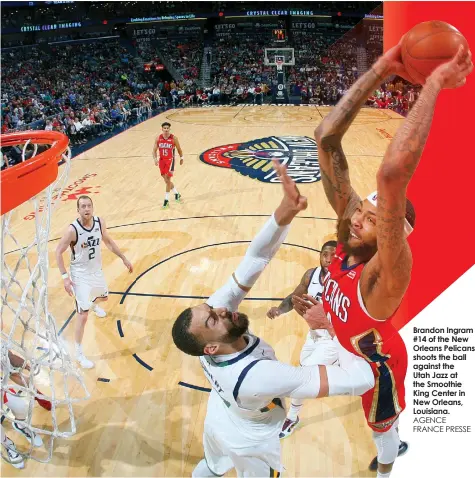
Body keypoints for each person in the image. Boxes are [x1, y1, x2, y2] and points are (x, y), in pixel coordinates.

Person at [310, 42, 473, 477]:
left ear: (394, 234)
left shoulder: (388, 271)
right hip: (339, 339)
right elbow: (326, 138)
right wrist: (381, 69)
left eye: (377, 216)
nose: (361, 214)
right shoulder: (353, 231)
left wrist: (434, 83)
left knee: (382, 428)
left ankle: (387, 466)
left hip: (374, 361)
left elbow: (391, 175)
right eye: (364, 207)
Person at [172, 162, 376, 477]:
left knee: (211, 468)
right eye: (214, 318)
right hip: (250, 441)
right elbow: (362, 379)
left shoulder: (205, 339)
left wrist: (285, 212)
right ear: (211, 347)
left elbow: (255, 259)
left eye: (211, 308)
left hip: (219, 416)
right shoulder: (260, 377)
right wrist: (330, 327)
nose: (222, 309)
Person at [267, 239, 337, 438]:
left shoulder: (343, 278)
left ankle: (291, 417)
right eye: (325, 254)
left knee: (302, 379)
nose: (329, 259)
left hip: (333, 338)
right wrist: (280, 309)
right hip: (313, 334)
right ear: (320, 255)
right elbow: (294, 297)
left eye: (334, 254)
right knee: (303, 369)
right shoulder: (311, 274)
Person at [55, 195, 133, 369]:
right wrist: (65, 277)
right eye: (82, 206)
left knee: (104, 298)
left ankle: (93, 304)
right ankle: (79, 353)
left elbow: (108, 242)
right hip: (80, 275)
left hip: (95, 271)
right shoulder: (72, 230)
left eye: (89, 206)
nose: (86, 209)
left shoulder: (99, 223)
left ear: (93, 207)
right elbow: (58, 252)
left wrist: (123, 258)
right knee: (82, 316)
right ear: (78, 210)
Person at [152, 122, 184, 209]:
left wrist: (182, 158)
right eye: (164, 128)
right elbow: (154, 151)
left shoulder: (174, 138)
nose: (166, 129)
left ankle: (166, 200)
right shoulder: (158, 138)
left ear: (169, 129)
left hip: (170, 161)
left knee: (168, 179)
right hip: (162, 161)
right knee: (166, 181)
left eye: (167, 128)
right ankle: (177, 194)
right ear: (162, 129)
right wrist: (155, 159)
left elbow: (179, 149)